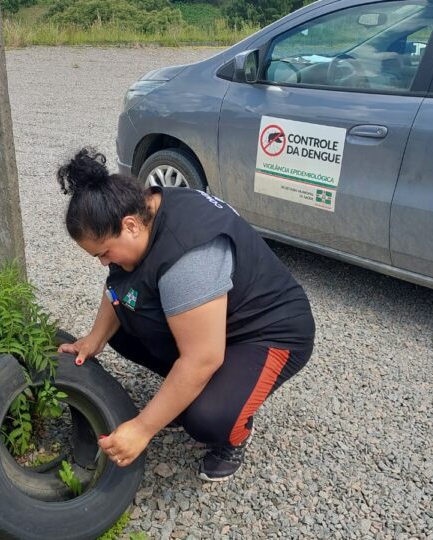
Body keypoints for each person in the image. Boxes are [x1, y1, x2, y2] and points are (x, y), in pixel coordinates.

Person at [57, 148, 315, 481]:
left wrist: (143, 427)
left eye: (104, 252)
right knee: (121, 325)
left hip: (266, 331)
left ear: (130, 225)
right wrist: (93, 340)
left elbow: (202, 359)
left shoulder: (188, 256)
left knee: (206, 418)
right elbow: (120, 286)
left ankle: (236, 433)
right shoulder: (146, 205)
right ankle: (188, 393)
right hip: (211, 319)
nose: (103, 262)